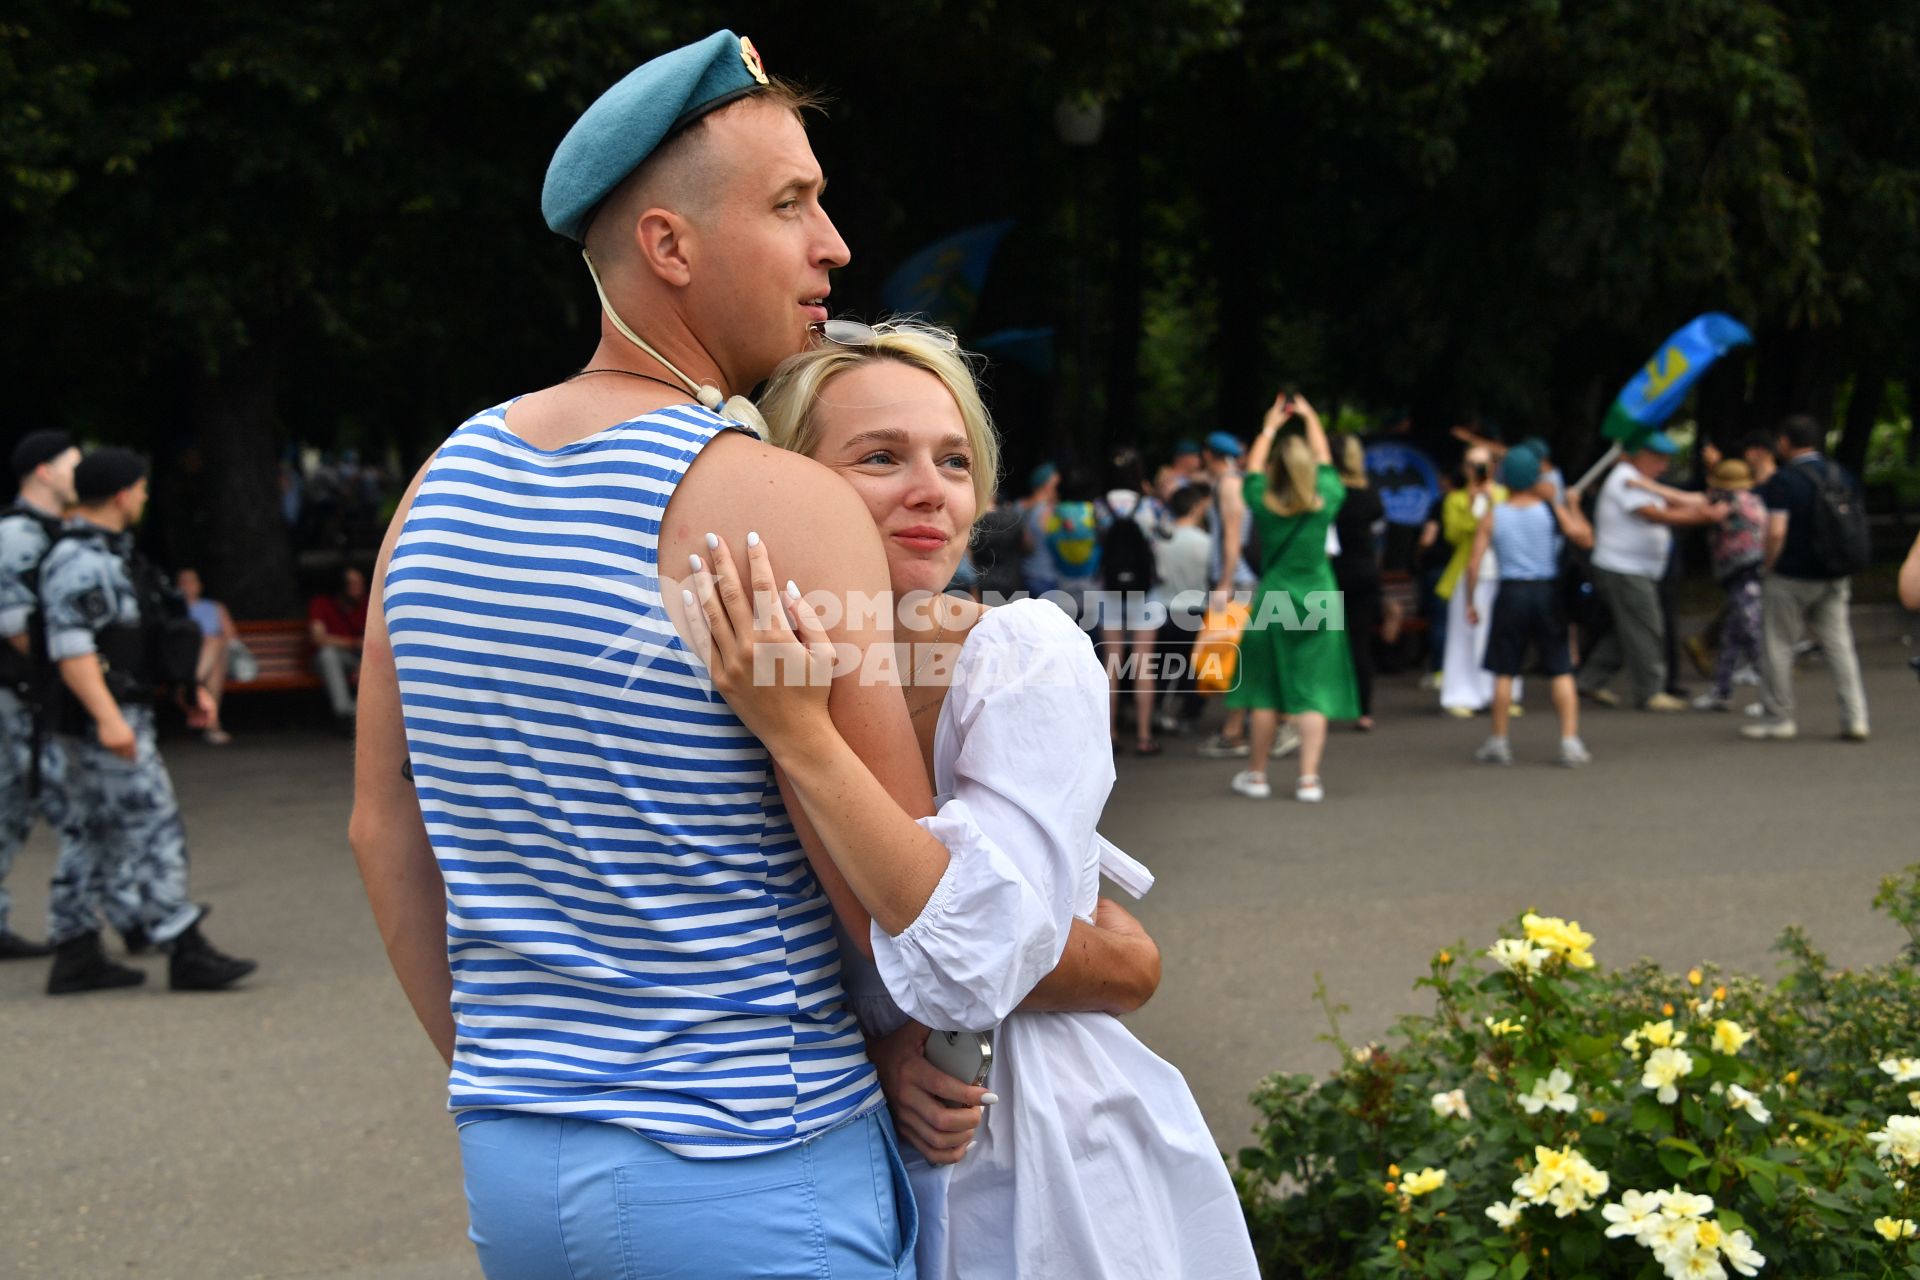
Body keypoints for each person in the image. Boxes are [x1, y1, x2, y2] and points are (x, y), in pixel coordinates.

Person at [348, 35, 1147, 1278]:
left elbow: (383, 827)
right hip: (753, 1163)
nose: (833, 242)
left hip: (517, 1166)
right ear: (670, 246)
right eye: (793, 203)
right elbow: (911, 914)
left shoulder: (439, 486)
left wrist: (527, 1083)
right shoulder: (774, 501)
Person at [717, 319, 1258, 1279]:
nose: (931, 489)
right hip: (848, 1143)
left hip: (1040, 1145)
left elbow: (982, 955)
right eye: (881, 456)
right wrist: (885, 1064)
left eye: (956, 460)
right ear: (788, 481)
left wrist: (1099, 963)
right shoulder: (744, 668)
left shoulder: (1020, 655)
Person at [38, 448, 255, 994]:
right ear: (118, 495)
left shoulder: (110, 554)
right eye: (139, 488)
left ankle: (76, 948)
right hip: (104, 722)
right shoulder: (80, 561)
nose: (143, 497)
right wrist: (111, 722)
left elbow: (137, 640)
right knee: (154, 826)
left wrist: (182, 691)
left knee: (94, 832)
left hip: (109, 715)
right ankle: (184, 946)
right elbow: (72, 650)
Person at [1226, 392, 1359, 803]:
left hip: (1274, 597)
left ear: (1274, 471)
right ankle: (1308, 780)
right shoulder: (1326, 500)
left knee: (1265, 691)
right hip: (1319, 596)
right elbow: (1325, 460)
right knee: (1313, 691)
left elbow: (1250, 468)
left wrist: (1269, 427)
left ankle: (1258, 775)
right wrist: (1311, 417)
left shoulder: (1263, 502)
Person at [0, 429, 80, 961]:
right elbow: (16, 627)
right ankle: (84, 933)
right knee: (73, 808)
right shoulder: (16, 535)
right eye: (73, 464)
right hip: (20, 697)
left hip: (33, 696)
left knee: (14, 807)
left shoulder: (52, 531)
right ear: (45, 472)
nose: (82, 473)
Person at [1462, 445, 1595, 766]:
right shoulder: (1550, 510)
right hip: (1547, 592)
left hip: (1510, 593)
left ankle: (1499, 741)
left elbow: (1474, 563)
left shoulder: (1495, 515)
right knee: (1560, 668)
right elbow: (1584, 538)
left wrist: (1471, 600)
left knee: (1505, 670)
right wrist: (1571, 505)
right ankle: (1569, 741)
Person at [1742, 413, 1871, 742]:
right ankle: (1855, 718)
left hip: (1792, 574)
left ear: (1784, 442)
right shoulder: (1841, 473)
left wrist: (1767, 565)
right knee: (1839, 645)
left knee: (1778, 645)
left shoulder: (1784, 481)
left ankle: (1778, 718)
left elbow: (1776, 531)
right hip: (1835, 573)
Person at [1575, 435, 1723, 712]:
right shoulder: (1625, 479)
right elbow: (1655, 514)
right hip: (1623, 568)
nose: (1664, 466)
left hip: (1633, 568)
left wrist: (1704, 505)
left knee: (1625, 630)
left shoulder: (1638, 479)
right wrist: (1704, 517)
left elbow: (1671, 503)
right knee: (1647, 627)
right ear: (1642, 454)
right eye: (1659, 459)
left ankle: (1590, 681)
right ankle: (1651, 691)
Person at [1097, 447, 1167, 754]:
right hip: (1145, 590)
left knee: (1111, 662)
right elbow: (1163, 536)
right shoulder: (1150, 505)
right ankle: (1143, 735)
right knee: (1143, 663)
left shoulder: (1099, 506)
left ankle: (1110, 734)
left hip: (1108, 589)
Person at [1435, 445, 1513, 716]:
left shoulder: (1504, 495)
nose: (1476, 471)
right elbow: (1453, 536)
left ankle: (1501, 694)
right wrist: (1471, 505)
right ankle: (1461, 693)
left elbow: (1510, 529)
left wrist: (1492, 501)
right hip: (1468, 574)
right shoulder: (1455, 499)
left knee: (1500, 633)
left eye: (1482, 464)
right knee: (1464, 633)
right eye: (1471, 464)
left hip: (1502, 572)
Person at [1689, 460, 1768, 712]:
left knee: (1751, 631)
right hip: (1745, 573)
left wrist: (1646, 486)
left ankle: (1771, 696)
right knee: (1731, 636)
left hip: (1745, 573)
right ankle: (1721, 691)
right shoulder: (1751, 499)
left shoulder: (1733, 502)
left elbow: (1703, 510)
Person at [1331, 435, 1384, 730]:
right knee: (1360, 643)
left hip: (1332, 571)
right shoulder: (1369, 491)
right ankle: (1364, 710)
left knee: (1325, 641)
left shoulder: (1328, 491)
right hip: (1364, 571)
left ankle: (1324, 704)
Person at [1153, 481, 1213, 733]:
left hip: (1162, 609)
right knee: (1195, 667)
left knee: (1162, 666)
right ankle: (1188, 715)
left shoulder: (1159, 538)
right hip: (1197, 609)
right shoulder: (1206, 541)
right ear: (1197, 508)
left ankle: (1158, 711)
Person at [176, 568, 238, 744]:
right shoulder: (172, 609)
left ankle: (192, 683)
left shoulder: (215, 608)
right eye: (183, 582)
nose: (187, 586)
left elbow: (231, 636)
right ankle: (213, 725)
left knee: (215, 644)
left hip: (212, 657)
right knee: (214, 655)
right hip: (183, 658)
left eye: (191, 581)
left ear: (200, 586)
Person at [307, 566, 366, 721]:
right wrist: (353, 643)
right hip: (327, 659)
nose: (357, 588)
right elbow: (319, 638)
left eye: (360, 583)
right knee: (328, 654)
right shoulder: (322, 603)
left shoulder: (367, 603)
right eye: (352, 584)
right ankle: (345, 712)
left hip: (360, 658)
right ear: (341, 586)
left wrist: (365, 664)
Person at [1017, 461, 1061, 598]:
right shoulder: (1049, 511)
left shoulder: (1018, 506)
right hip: (1045, 576)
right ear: (1047, 486)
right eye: (1055, 486)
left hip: (1022, 575)